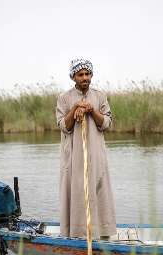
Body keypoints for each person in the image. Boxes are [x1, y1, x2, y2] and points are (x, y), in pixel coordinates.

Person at [56, 58, 117, 239]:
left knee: (98, 190)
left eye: (87, 74)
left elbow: (106, 123)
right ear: (73, 77)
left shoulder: (100, 96)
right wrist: (75, 108)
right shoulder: (64, 98)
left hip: (95, 154)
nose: (85, 78)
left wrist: (91, 111)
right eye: (80, 74)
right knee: (75, 192)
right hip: (74, 157)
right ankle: (76, 234)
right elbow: (63, 126)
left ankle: (101, 233)